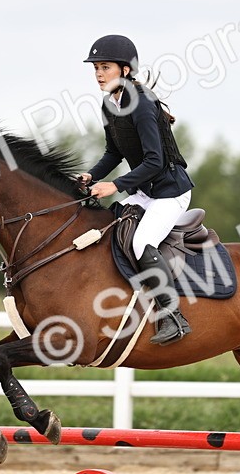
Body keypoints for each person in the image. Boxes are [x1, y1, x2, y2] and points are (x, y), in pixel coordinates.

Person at [78, 34, 195, 345]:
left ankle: (173, 315)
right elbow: (114, 153)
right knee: (112, 230)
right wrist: (91, 177)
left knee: (143, 241)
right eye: (96, 68)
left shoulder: (142, 104)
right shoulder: (109, 104)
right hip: (145, 192)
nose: (98, 74)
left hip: (171, 191)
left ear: (125, 71)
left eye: (105, 67)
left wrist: (114, 185)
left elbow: (156, 160)